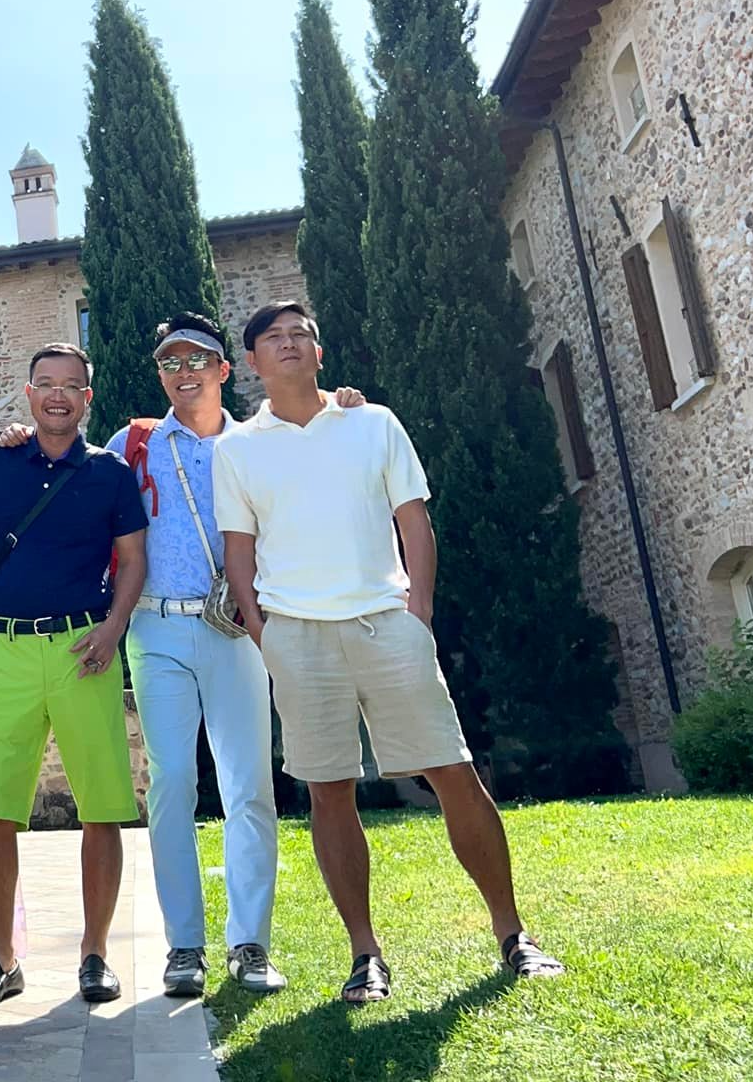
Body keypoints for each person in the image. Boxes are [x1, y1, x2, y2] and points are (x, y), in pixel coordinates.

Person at [0, 314, 365, 997]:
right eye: (171, 361)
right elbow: (67, 471)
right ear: (161, 374)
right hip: (155, 628)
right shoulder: (130, 445)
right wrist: (19, 439)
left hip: (236, 630)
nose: (185, 371)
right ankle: (184, 947)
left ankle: (250, 944)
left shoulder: (257, 442)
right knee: (170, 786)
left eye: (198, 359)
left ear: (224, 370)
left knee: (249, 787)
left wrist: (343, 407)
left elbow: (316, 458)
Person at [213, 301, 565, 1006]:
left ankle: (513, 932)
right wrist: (264, 634)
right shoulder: (237, 449)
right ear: (252, 362)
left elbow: (414, 520)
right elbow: (239, 553)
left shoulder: (373, 422)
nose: (289, 344)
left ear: (319, 352)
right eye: (273, 338)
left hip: (387, 622)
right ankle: (365, 954)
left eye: (301, 334)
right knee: (328, 790)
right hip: (297, 637)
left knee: (453, 772)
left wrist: (419, 615)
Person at [0, 343, 148, 1009]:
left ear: (87, 398)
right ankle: (2, 957)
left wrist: (114, 628)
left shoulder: (110, 473)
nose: (58, 395)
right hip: (7, 650)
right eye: (46, 384)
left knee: (103, 806)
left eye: (71, 385)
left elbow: (133, 560)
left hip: (83, 647)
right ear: (30, 394)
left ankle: (95, 954)